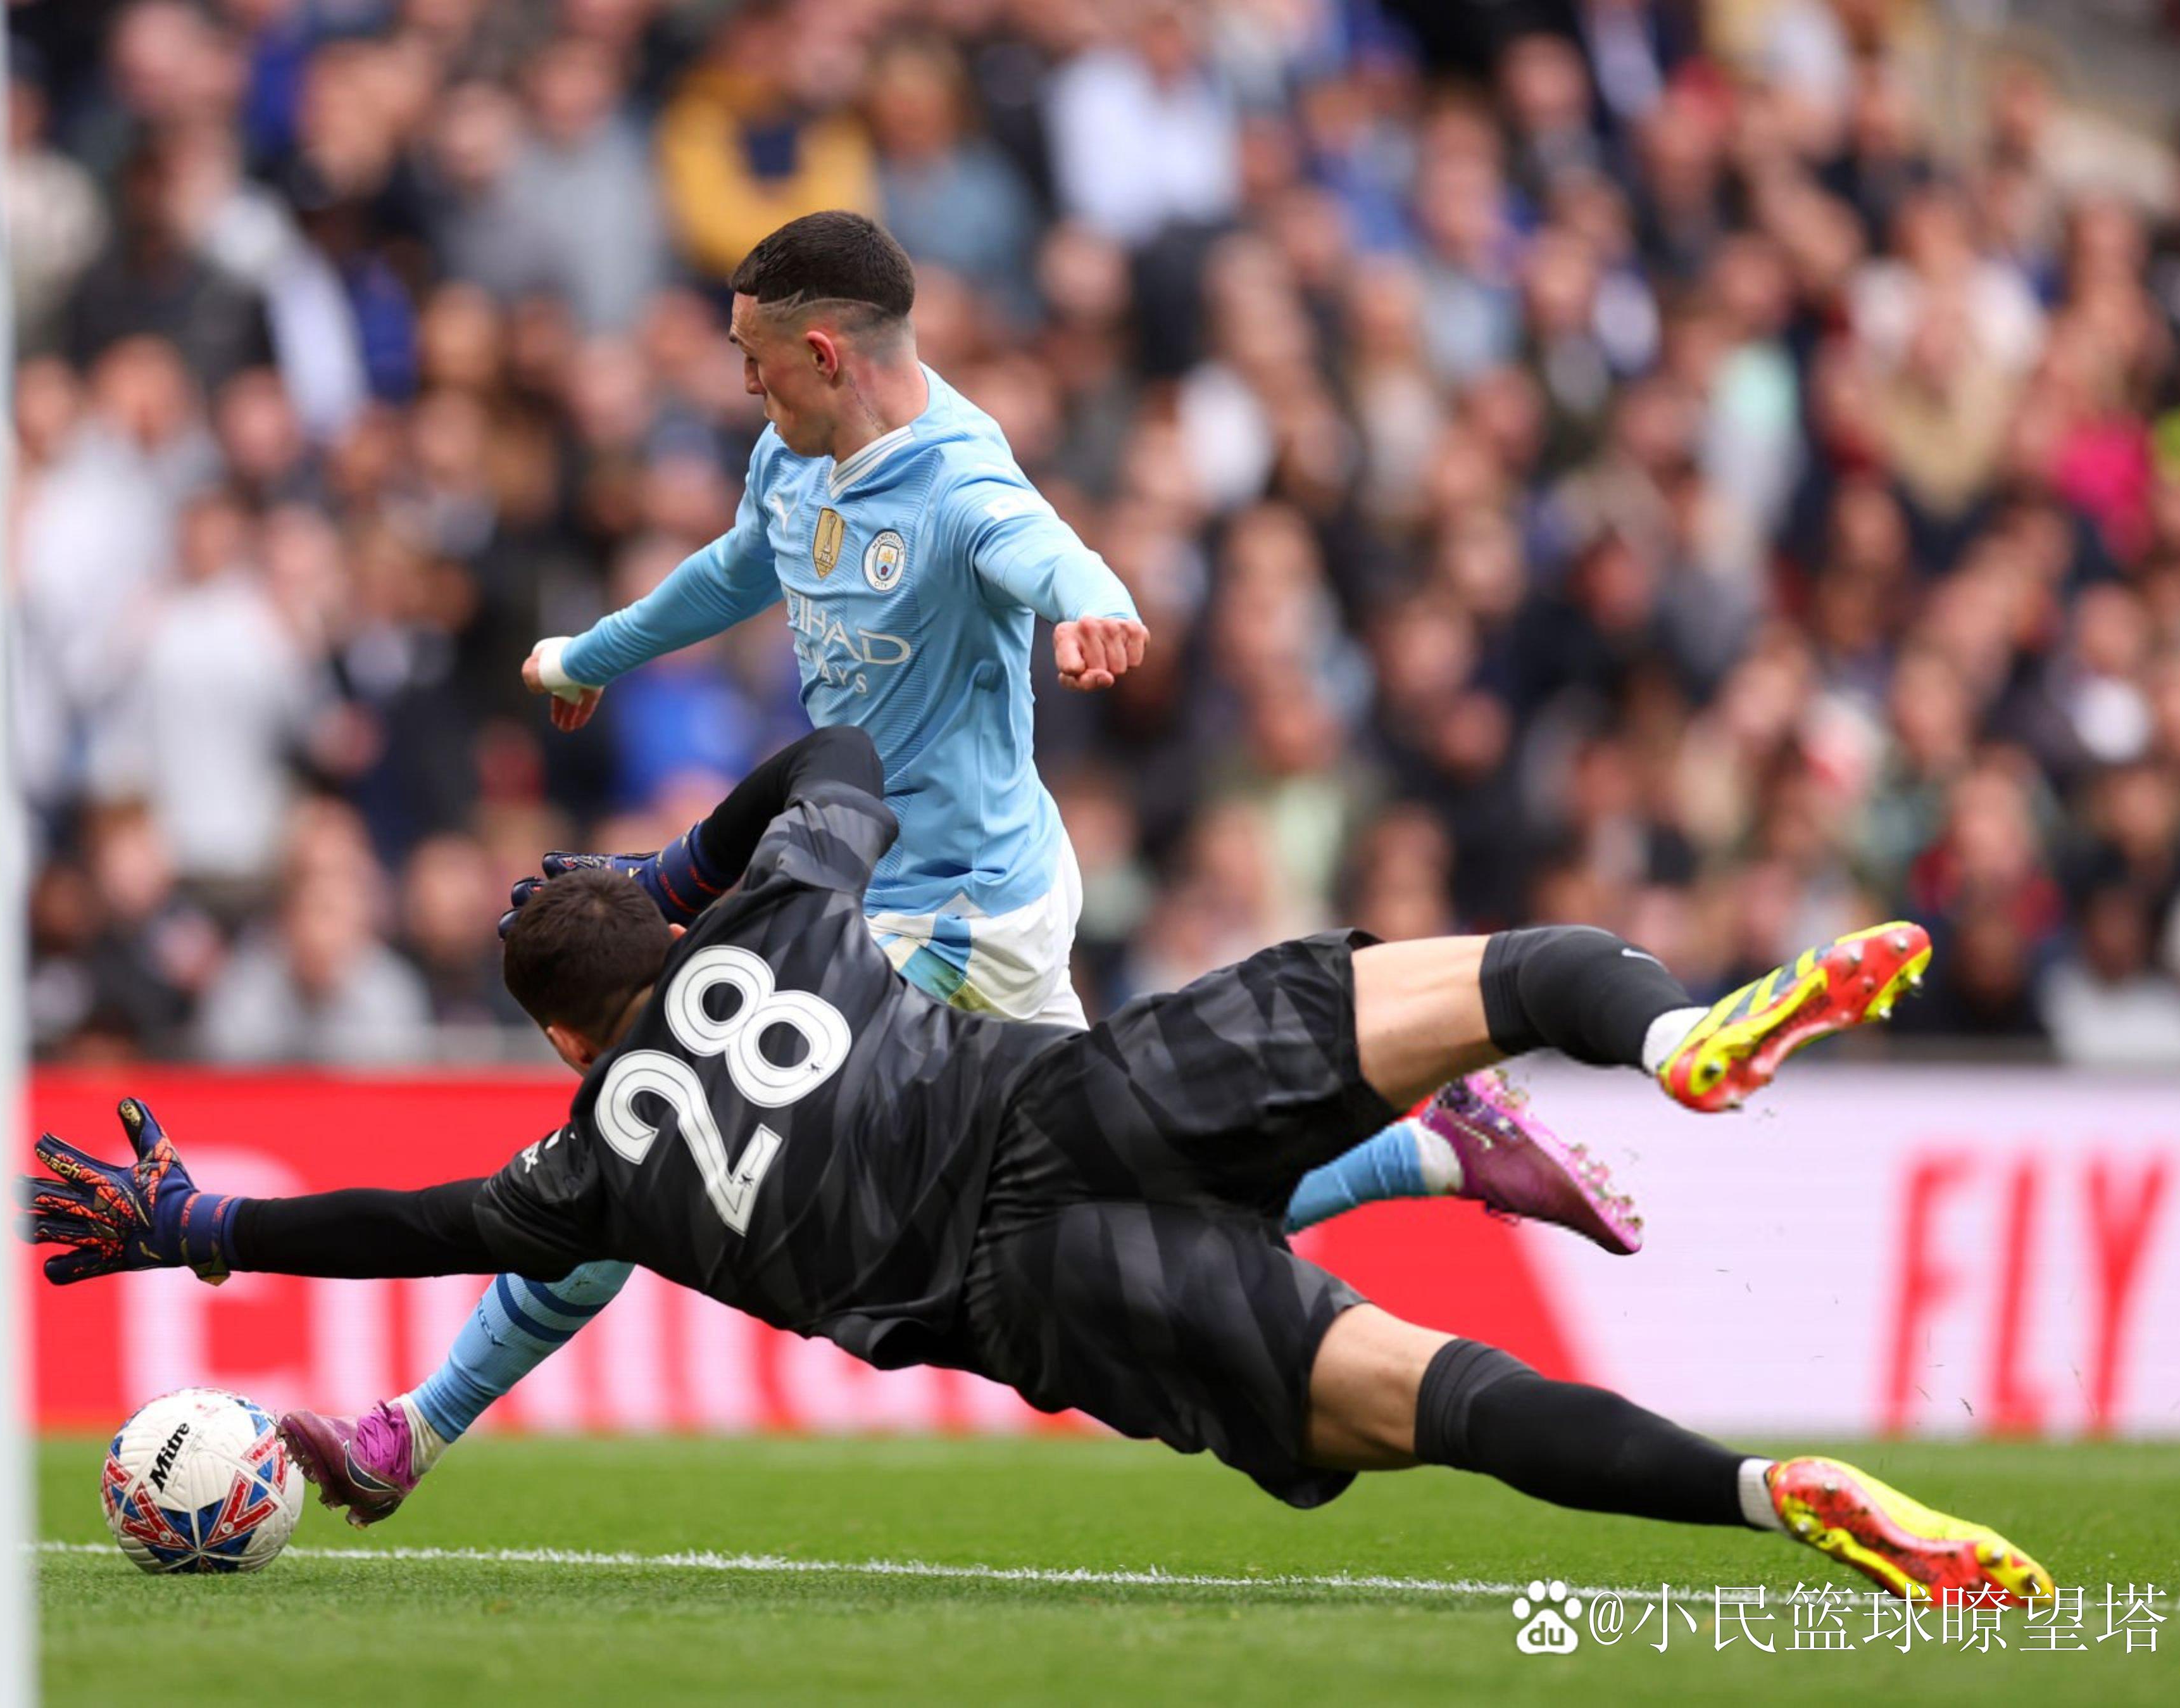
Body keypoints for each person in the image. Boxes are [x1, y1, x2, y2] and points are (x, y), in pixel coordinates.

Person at [16, 727, 2046, 1607]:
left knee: (1436, 1404)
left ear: (564, 1039)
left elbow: (408, 1224)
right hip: (1083, 1102)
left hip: (1038, 1297)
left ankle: (1771, 1497)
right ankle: (1678, 1036)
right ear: (659, 941)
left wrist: (202, 1228)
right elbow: (837, 773)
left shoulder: (589, 1169)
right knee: (1499, 971)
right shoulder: (782, 920)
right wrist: (685, 866)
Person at [344, 212, 1639, 1507]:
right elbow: (742, 566)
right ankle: (1432, 1150)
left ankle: (418, 1422)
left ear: (819, 350)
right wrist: (594, 654)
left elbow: (1044, 548)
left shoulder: (960, 478)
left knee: (659, 1106)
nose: (742, 383)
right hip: (889, 886)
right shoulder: (791, 459)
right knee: (1144, 1198)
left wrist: (1093, 606)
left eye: (752, 359)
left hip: (967, 904)